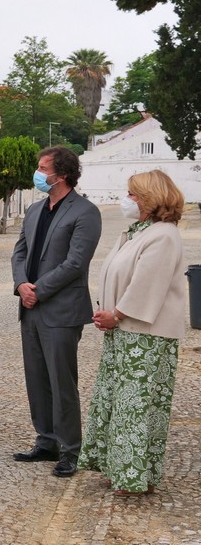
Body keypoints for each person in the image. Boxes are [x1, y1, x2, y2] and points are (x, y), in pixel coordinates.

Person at [79, 170, 187, 496]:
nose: (128, 199)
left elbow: (146, 284)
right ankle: (120, 469)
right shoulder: (136, 232)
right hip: (125, 332)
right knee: (117, 402)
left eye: (133, 194)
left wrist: (117, 314)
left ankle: (134, 477)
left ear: (150, 198)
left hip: (145, 335)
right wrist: (109, 312)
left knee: (136, 408)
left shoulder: (163, 235)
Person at [11, 146, 102, 478]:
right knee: (36, 378)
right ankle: (46, 441)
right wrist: (21, 285)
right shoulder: (35, 210)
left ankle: (69, 449)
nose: (37, 173)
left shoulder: (86, 212)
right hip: (30, 307)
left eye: (42, 168)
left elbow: (76, 263)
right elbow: (19, 252)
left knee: (62, 381)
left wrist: (38, 290)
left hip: (61, 310)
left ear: (61, 175)